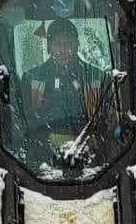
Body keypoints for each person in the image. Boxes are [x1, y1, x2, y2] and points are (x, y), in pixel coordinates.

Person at [19, 18, 107, 167]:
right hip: (43, 161)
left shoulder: (95, 77)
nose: (63, 50)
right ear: (49, 47)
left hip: (89, 157)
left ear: (77, 45)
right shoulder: (32, 79)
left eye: (68, 44)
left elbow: (105, 122)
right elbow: (27, 124)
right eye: (57, 44)